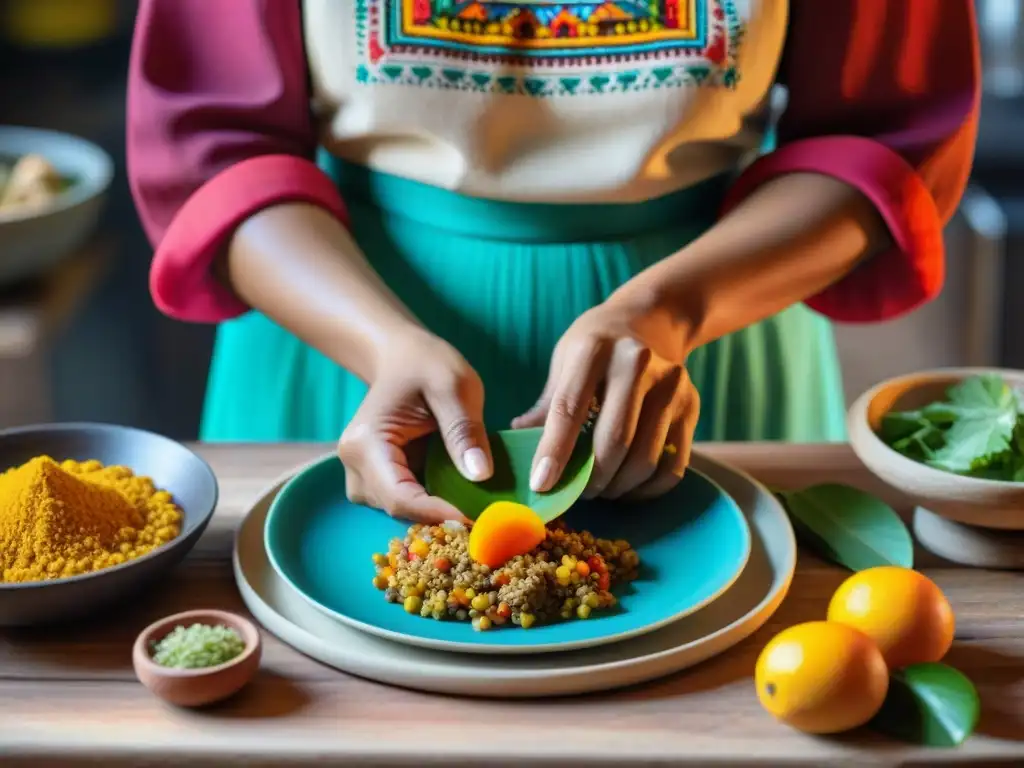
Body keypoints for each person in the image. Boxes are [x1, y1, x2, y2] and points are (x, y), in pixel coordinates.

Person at [128, 0, 979, 524]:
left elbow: (883, 140)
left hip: (707, 346)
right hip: (343, 348)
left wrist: (674, 309)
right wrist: (379, 345)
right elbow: (215, 148)